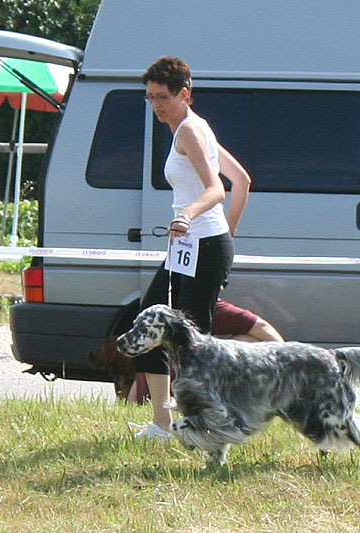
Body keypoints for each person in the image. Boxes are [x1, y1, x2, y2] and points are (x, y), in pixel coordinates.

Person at [129, 56, 251, 439]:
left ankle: (205, 425)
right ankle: (163, 423)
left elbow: (218, 189)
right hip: (196, 245)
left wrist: (189, 217)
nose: (156, 105)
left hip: (203, 244)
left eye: (162, 97)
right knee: (151, 319)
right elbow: (242, 180)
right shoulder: (194, 127)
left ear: (184, 94)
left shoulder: (190, 131)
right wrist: (226, 236)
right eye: (150, 97)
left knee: (192, 342)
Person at [127, 299, 284, 403]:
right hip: (188, 391)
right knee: (249, 340)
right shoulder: (211, 306)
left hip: (154, 391)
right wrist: (286, 365)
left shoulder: (158, 313)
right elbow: (262, 327)